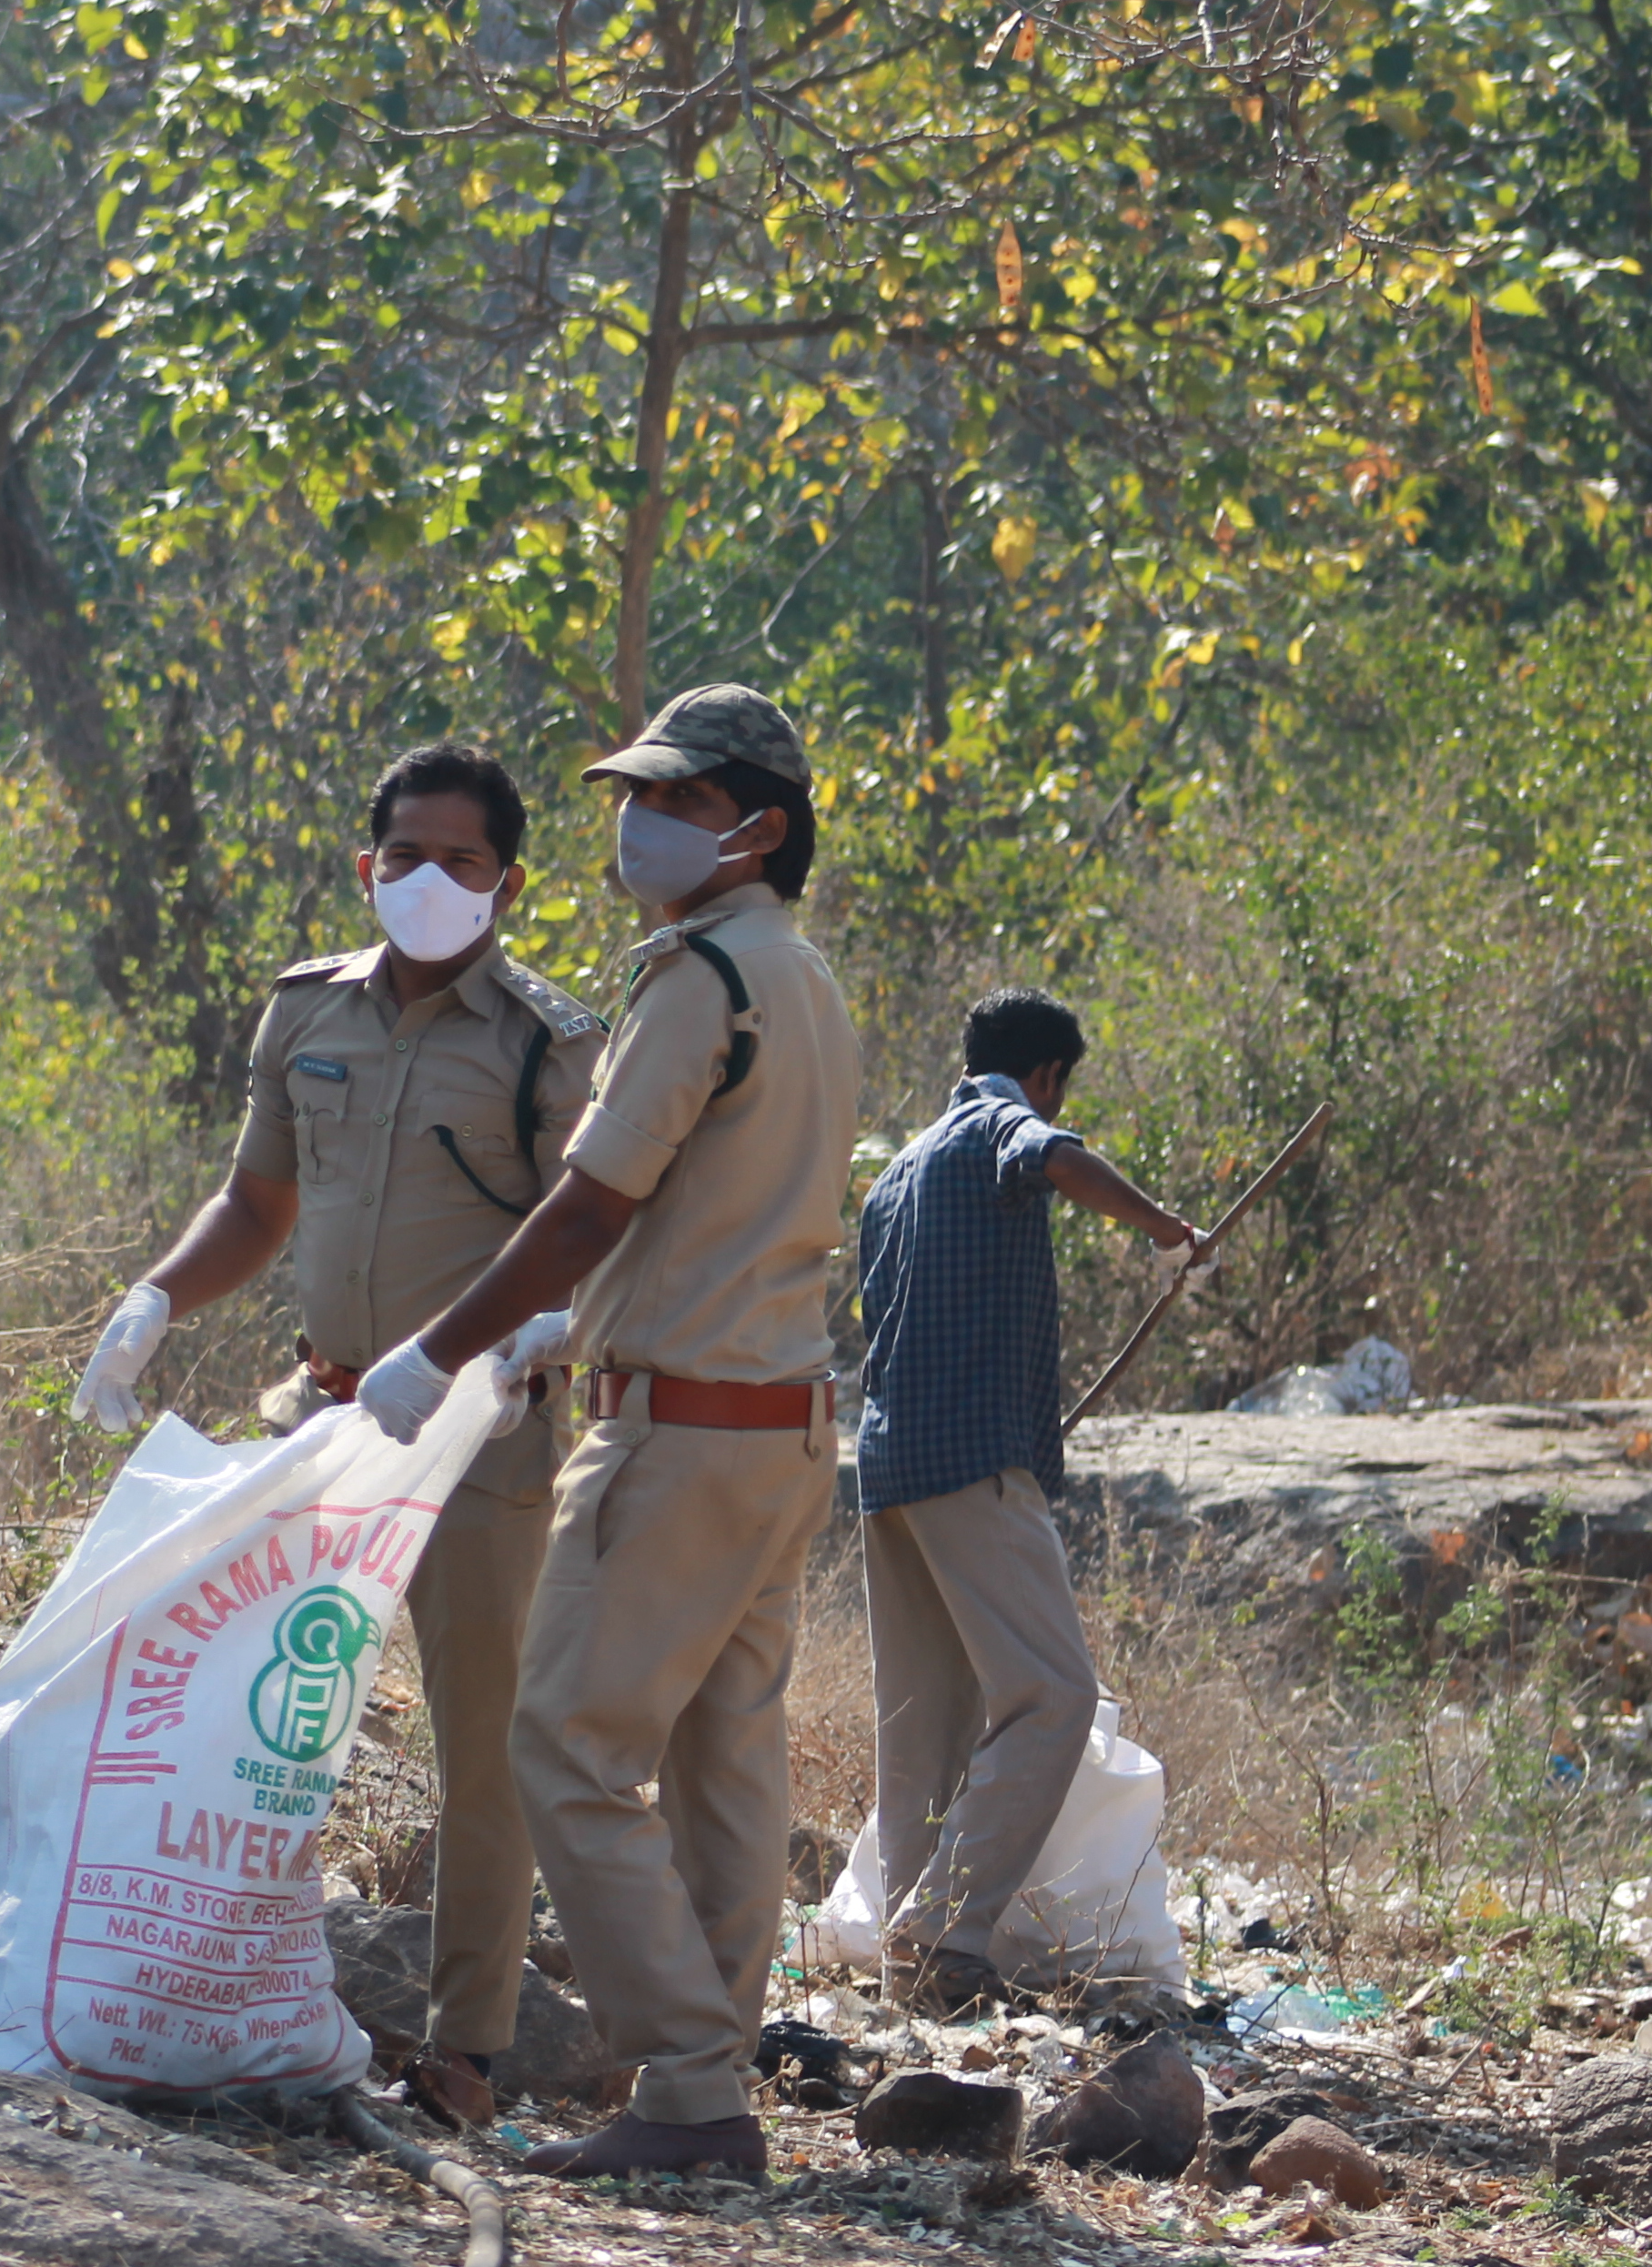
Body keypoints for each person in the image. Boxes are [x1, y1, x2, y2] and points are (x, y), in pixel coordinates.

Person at [353, 683, 855, 2182]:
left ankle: (694, 2091)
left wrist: (434, 1348)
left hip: (678, 1434)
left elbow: (591, 1199)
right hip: (773, 1416)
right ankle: (708, 2078)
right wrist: (570, 1324)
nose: (638, 824)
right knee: (721, 1765)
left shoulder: (698, 976)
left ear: (755, 826)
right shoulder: (801, 976)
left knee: (560, 1742)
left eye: (677, 804)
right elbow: (728, 1209)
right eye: (637, 795)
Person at [72, 742, 606, 2128]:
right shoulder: (305, 1013)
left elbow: (589, 1230)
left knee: (480, 1740)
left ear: (512, 883)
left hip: (479, 1430)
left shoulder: (551, 1040)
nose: (433, 881)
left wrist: (541, 1337)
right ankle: (225, 1984)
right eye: (407, 855)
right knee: (262, 1712)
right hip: (324, 1417)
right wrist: (154, 1300)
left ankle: (466, 2049)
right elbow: (259, 1203)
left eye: (466, 861)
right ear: (365, 865)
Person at [851, 989, 1205, 2016]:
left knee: (926, 1726)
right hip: (972, 1462)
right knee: (1051, 1699)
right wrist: (1164, 1230)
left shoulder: (897, 1176)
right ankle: (939, 1929)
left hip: (889, 1468)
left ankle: (908, 1967)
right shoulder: (999, 1124)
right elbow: (1047, 1155)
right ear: (1048, 1076)